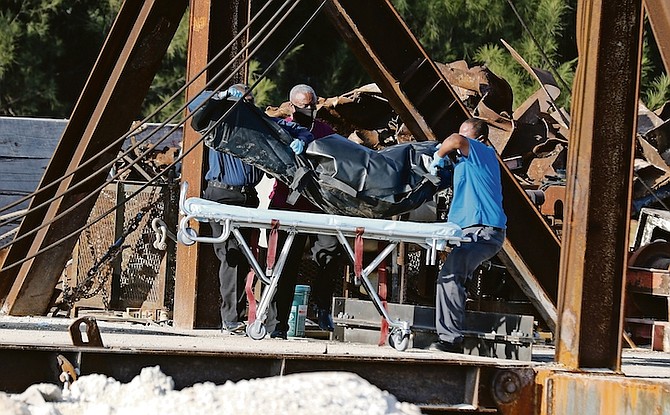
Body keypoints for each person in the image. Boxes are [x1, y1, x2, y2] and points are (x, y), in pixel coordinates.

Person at [269, 84, 343, 339]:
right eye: (304, 106)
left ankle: (321, 304)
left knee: (331, 250)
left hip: (317, 205)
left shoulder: (324, 131)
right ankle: (279, 323)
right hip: (287, 205)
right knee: (285, 266)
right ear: (292, 106)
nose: (309, 110)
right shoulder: (281, 129)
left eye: (312, 105)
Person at [428, 117, 507, 353]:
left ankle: (451, 341)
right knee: (452, 276)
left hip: (484, 231)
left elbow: (454, 140)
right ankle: (451, 335)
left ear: (481, 139)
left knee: (450, 276)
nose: (460, 141)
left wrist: (438, 155)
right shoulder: (466, 163)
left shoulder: (482, 152)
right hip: (470, 232)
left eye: (466, 135)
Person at [192, 84, 264, 334]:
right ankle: (231, 319)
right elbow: (196, 107)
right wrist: (220, 97)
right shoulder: (219, 124)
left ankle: (237, 316)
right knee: (231, 256)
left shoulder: (255, 129)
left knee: (244, 257)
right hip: (222, 197)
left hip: (247, 198)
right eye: (242, 102)